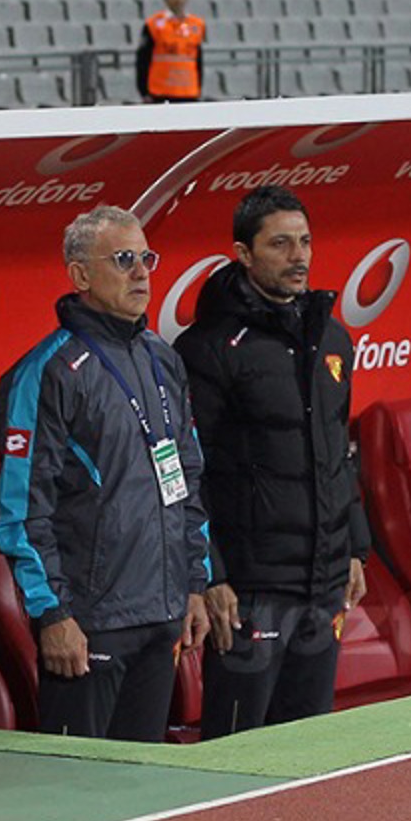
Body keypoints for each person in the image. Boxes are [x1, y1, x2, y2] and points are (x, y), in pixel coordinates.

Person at [0, 206, 210, 741]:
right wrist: (52, 615)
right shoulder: (47, 372)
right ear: (81, 275)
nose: (141, 273)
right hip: (88, 627)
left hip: (161, 618)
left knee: (144, 780)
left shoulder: (163, 359)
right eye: (123, 259)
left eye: (147, 259)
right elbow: (20, 511)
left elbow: (187, 479)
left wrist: (194, 583)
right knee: (77, 784)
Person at [173, 186, 370, 738]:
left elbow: (337, 451)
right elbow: (188, 474)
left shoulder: (333, 338)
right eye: (280, 244)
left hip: (323, 582)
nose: (298, 256)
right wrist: (210, 573)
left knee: (308, 748)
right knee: (238, 747)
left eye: (304, 242)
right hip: (250, 591)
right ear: (243, 253)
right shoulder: (207, 349)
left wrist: (354, 548)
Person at [135, 0, 205, 103]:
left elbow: (198, 59)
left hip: (189, 91)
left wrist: (198, 87)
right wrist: (143, 91)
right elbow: (143, 58)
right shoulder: (153, 24)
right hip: (160, 91)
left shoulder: (197, 24)